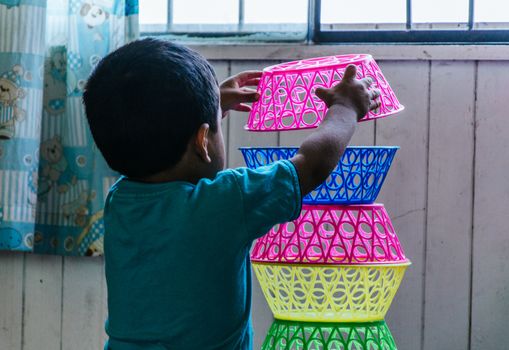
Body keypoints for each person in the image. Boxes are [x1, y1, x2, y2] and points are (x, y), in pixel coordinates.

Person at [83, 37, 380, 350]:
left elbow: (154, 132)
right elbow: (312, 166)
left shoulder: (119, 202)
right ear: (201, 141)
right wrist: (346, 108)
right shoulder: (225, 202)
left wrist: (210, 106)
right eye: (215, 128)